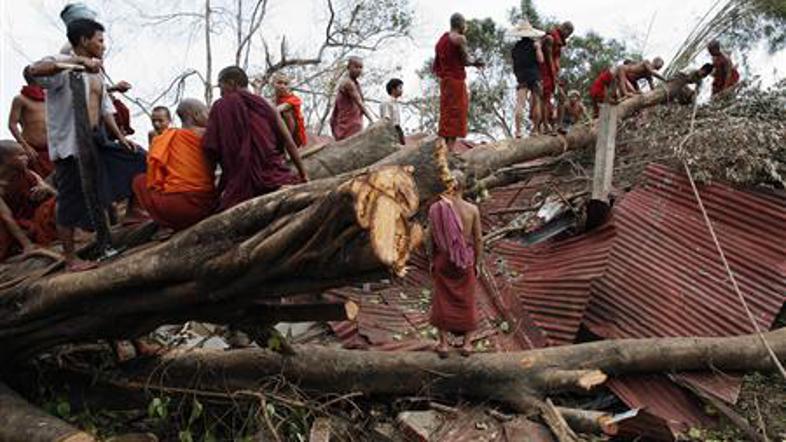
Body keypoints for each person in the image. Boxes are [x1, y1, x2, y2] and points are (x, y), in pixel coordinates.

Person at [27, 18, 141, 270]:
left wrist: (121, 139)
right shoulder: (62, 66)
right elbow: (33, 71)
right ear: (83, 41)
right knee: (70, 198)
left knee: (137, 158)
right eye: (99, 40)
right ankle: (70, 259)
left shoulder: (96, 73)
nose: (103, 45)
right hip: (70, 144)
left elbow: (106, 108)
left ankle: (131, 215)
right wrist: (76, 62)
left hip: (96, 140)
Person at [204, 66, 309, 211]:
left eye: (221, 86)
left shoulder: (220, 107)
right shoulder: (268, 105)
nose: (221, 92)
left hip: (240, 184)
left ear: (232, 83)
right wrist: (304, 175)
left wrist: (211, 192)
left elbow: (211, 150)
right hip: (274, 176)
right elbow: (288, 142)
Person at [133, 99, 216, 231]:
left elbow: (156, 178)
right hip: (209, 204)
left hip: (177, 209)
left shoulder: (165, 139)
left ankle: (165, 224)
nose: (209, 115)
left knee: (140, 181)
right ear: (195, 114)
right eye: (206, 112)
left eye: (160, 120)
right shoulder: (208, 134)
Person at [428, 170, 482, 358]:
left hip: (443, 259)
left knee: (442, 299)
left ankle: (443, 345)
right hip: (465, 260)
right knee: (467, 299)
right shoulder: (472, 210)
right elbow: (478, 239)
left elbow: (431, 238)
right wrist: (478, 263)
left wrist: (431, 260)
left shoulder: (436, 208)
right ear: (464, 186)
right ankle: (467, 345)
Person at [434, 13, 485, 151]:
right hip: (456, 81)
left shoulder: (440, 41)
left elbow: (437, 65)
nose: (466, 27)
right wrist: (476, 62)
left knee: (446, 114)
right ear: (461, 24)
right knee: (457, 114)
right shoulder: (460, 39)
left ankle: (444, 148)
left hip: (445, 82)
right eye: (465, 24)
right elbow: (465, 60)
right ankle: (450, 150)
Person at [0, 140, 57, 262]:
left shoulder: (28, 173)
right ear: (5, 160)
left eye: (25, 154)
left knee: (53, 204)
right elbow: (6, 217)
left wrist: (46, 189)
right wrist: (27, 245)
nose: (26, 157)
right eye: (20, 155)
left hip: (30, 219)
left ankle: (77, 233)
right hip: (11, 226)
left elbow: (56, 195)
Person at [7, 71, 54, 177]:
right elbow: (12, 124)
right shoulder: (20, 99)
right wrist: (25, 146)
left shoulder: (50, 97)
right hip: (32, 150)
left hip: (50, 149)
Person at [510, 20, 545, 138]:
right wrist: (538, 48)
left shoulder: (515, 48)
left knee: (520, 103)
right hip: (534, 75)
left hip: (521, 76)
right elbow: (541, 60)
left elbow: (514, 64)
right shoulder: (534, 45)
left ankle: (518, 131)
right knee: (536, 102)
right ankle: (535, 129)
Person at [330, 57, 373, 141]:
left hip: (355, 120)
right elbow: (359, 102)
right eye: (356, 67)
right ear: (348, 67)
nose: (359, 70)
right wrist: (371, 119)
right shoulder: (347, 83)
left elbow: (361, 101)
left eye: (361, 67)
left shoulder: (356, 83)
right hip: (348, 123)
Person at [273, 73, 308, 148]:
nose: (282, 86)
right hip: (277, 131)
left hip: (294, 136)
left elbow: (278, 109)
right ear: (273, 84)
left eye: (285, 84)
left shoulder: (294, 99)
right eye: (279, 83)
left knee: (286, 113)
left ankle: (287, 146)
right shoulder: (273, 100)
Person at [380, 78, 405, 145]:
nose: (402, 90)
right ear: (393, 89)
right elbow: (386, 119)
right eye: (400, 87)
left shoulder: (395, 103)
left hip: (398, 128)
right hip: (393, 129)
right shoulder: (386, 102)